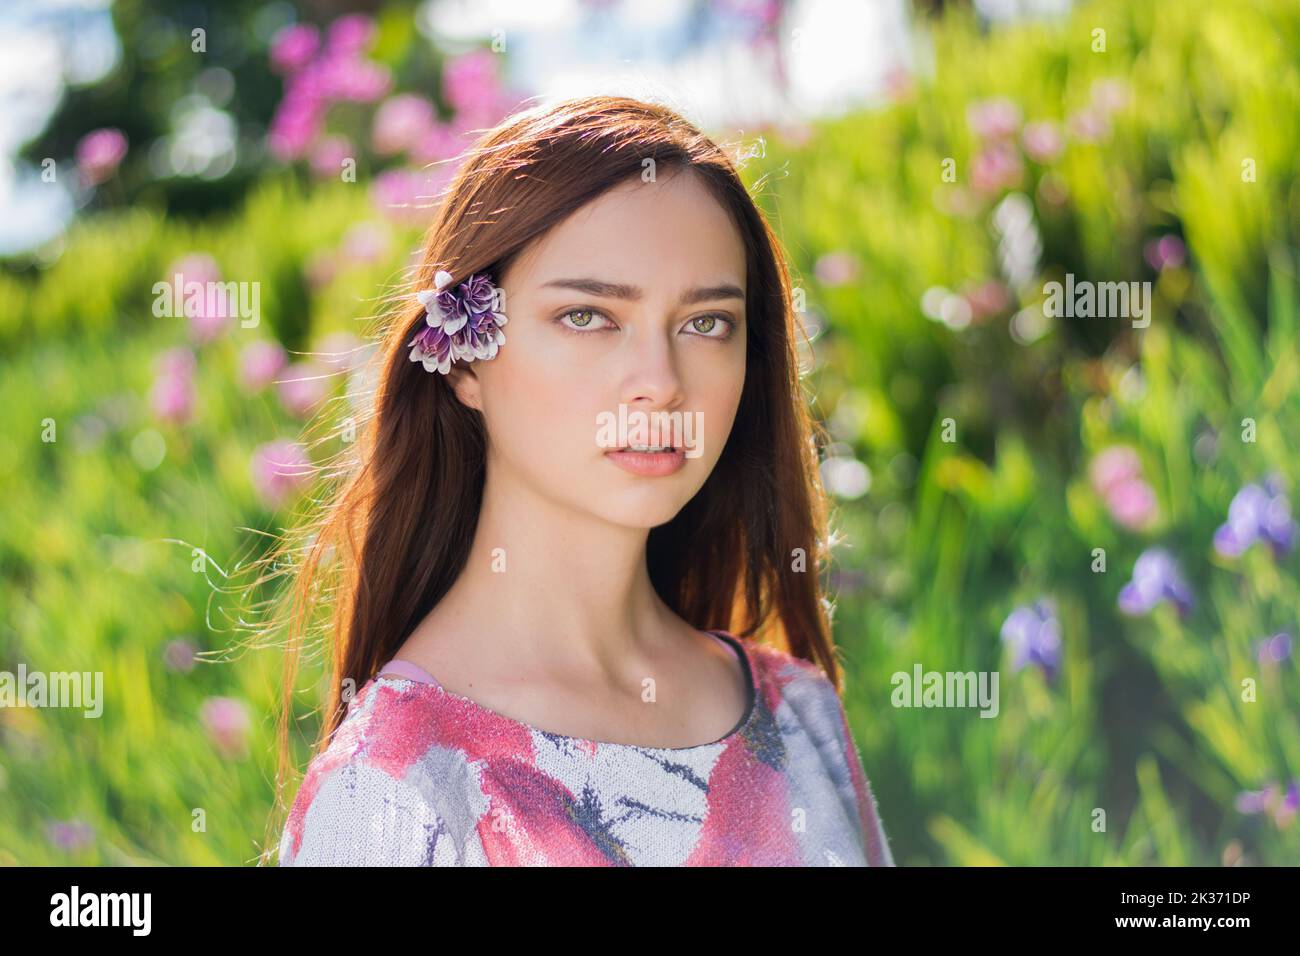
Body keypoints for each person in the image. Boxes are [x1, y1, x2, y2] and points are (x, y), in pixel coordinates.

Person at [269, 94, 893, 866]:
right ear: (463, 356)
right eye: (588, 316)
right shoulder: (392, 792)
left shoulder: (801, 715)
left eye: (706, 323)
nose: (660, 382)